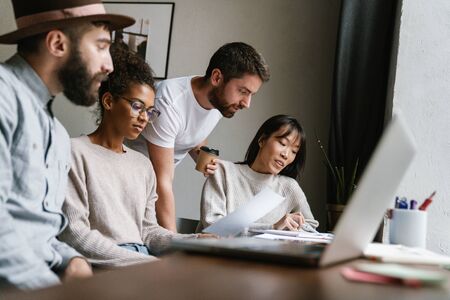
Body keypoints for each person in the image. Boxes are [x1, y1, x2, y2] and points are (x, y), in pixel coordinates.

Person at [0, 0, 134, 290]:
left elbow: (41, 233)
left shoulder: (58, 135)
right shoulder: (4, 98)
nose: (109, 65)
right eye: (100, 46)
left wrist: (72, 260)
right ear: (58, 43)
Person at [59, 47, 205, 268]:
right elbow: (76, 235)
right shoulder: (74, 152)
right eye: (137, 106)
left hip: (140, 260)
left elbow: (148, 231)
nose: (144, 118)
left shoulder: (143, 165)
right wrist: (145, 263)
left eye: (150, 111)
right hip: (104, 265)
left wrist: (195, 241)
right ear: (108, 102)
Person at [127, 42, 270, 231]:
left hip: (152, 186)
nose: (247, 103)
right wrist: (173, 243)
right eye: (243, 92)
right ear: (217, 77)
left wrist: (203, 158)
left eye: (251, 94)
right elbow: (162, 182)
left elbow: (193, 131)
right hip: (130, 184)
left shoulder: (219, 102)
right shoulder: (169, 102)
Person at [197, 115, 319, 232]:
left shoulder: (289, 187)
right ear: (262, 140)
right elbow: (213, 226)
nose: (286, 154)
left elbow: (311, 227)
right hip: (218, 252)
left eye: (294, 151)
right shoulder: (223, 172)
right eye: (282, 143)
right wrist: (272, 228)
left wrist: (289, 228)